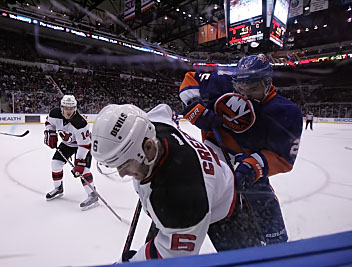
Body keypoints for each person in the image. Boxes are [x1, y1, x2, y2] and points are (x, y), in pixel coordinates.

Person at [91, 103, 265, 262]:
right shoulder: (155, 124)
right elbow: (164, 109)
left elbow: (171, 258)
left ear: (149, 147)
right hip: (188, 196)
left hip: (226, 210)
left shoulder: (180, 199)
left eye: (125, 164)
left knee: (252, 262)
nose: (122, 174)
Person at [180, 54, 303, 245]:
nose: (244, 95)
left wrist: (252, 166)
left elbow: (283, 158)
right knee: (179, 209)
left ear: (267, 83)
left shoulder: (286, 112)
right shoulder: (223, 82)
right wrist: (195, 109)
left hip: (251, 178)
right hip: (213, 166)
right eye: (240, 89)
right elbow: (190, 80)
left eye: (253, 89)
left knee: (274, 239)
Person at [44, 95, 98, 210]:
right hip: (67, 144)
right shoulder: (54, 114)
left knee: (83, 170)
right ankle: (58, 188)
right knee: (55, 164)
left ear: (75, 108)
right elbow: (49, 122)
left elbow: (84, 145)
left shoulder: (80, 123)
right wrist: (51, 133)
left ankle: (93, 194)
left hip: (83, 146)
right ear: (61, 107)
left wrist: (79, 162)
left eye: (71, 108)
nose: (69, 111)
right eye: (66, 108)